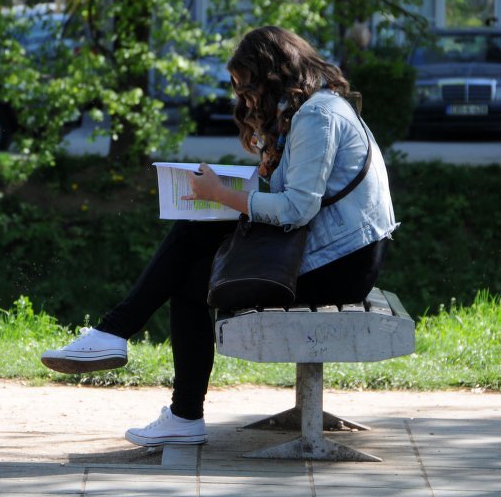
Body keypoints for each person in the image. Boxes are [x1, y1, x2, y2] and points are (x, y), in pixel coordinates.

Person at [40, 26, 398, 448]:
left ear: (271, 75)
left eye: (246, 89)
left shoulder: (317, 116)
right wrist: (235, 190)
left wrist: (222, 194)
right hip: (333, 251)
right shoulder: (313, 110)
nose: (244, 101)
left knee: (191, 270)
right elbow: (295, 201)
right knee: (191, 249)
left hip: (343, 264)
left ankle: (137, 358)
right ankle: (147, 372)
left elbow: (297, 209)